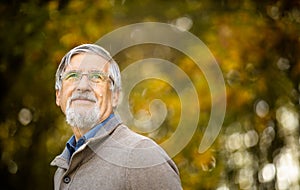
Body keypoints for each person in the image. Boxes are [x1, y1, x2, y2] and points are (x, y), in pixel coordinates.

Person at [50, 43, 182, 190]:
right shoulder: (62, 168)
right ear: (58, 95)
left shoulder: (142, 156)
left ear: (115, 96)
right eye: (73, 76)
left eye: (96, 77)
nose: (83, 86)